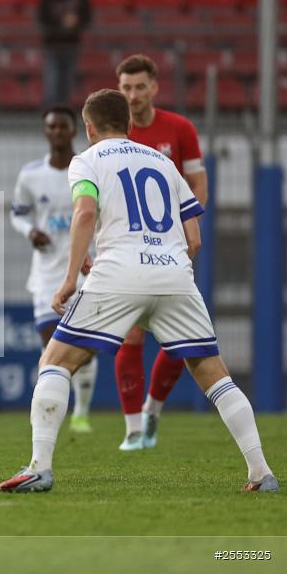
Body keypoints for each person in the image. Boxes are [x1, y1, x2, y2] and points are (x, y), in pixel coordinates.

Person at [0, 89, 278, 493]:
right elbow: (193, 236)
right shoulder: (163, 162)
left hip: (118, 274)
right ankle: (261, 473)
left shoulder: (87, 160)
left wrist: (71, 276)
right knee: (215, 376)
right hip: (174, 274)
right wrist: (167, 267)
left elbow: (86, 213)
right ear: (129, 125)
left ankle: (40, 467)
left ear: (89, 129)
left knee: (55, 361)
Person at [115, 54, 209, 451]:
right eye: (125, 88)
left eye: (139, 87)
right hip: (129, 249)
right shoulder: (113, 131)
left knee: (181, 341)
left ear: (154, 87)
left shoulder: (180, 128)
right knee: (131, 336)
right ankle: (134, 428)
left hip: (173, 247)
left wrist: (190, 231)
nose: (133, 95)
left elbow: (197, 185)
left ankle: (153, 408)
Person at [10, 104, 97, 433]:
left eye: (63, 126)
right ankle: (47, 414)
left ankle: (82, 412)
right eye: (52, 127)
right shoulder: (31, 174)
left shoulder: (88, 168)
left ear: (73, 130)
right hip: (47, 273)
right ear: (46, 132)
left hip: (87, 270)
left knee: (84, 351)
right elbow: (18, 213)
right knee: (52, 346)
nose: (57, 132)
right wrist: (29, 231)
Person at [37, 0, 92, 106]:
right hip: (52, 45)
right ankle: (50, 114)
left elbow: (87, 16)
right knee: (52, 83)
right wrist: (61, 22)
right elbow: (42, 18)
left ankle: (64, 114)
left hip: (72, 44)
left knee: (68, 84)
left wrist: (76, 22)